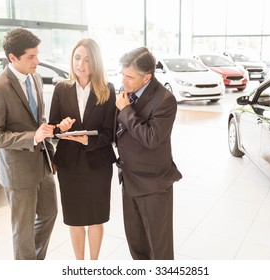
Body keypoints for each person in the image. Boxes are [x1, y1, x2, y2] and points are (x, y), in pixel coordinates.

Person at [0, 28, 57, 260]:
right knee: (22, 231)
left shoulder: (34, 78)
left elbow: (37, 119)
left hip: (42, 164)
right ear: (12, 58)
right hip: (18, 171)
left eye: (37, 54)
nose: (37, 61)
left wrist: (48, 146)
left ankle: (33, 260)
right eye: (31, 57)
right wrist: (32, 137)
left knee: (49, 213)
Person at [49, 38, 117, 260]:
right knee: (75, 219)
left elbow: (110, 133)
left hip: (98, 164)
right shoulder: (61, 88)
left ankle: (93, 265)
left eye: (87, 59)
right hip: (69, 165)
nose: (81, 64)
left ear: (95, 62)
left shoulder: (107, 90)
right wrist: (62, 127)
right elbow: (53, 128)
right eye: (77, 58)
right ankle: (80, 265)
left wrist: (86, 141)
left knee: (96, 218)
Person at [115, 47, 182, 260]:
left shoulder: (165, 100)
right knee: (136, 243)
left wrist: (126, 110)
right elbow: (117, 131)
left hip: (153, 184)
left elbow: (151, 138)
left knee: (159, 248)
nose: (124, 81)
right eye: (122, 75)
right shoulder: (125, 92)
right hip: (129, 179)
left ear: (147, 77)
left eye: (129, 77)